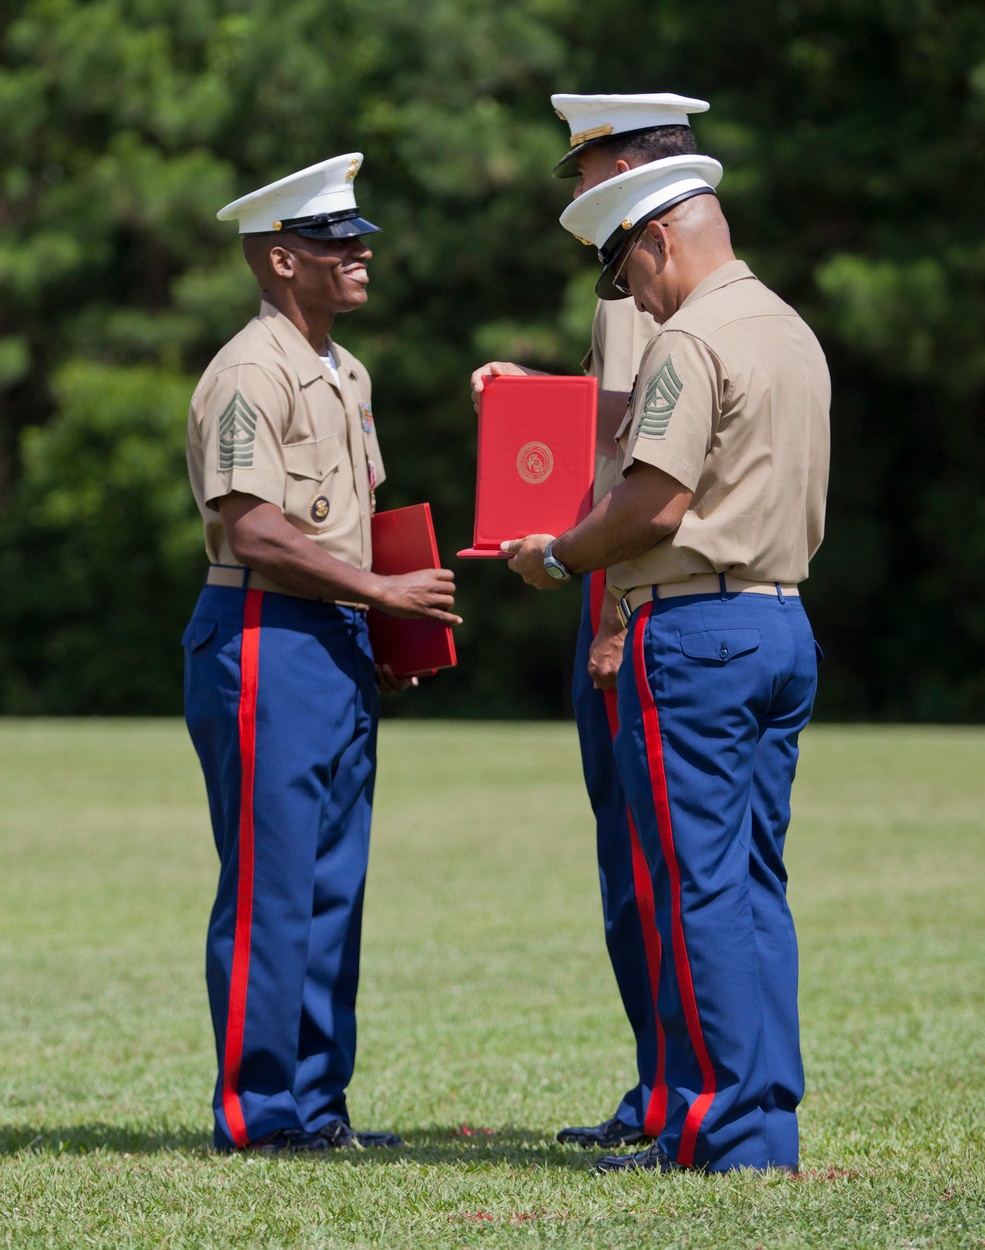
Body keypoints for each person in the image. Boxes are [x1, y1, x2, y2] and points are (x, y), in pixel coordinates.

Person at [504, 154, 830, 1173]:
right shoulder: (789, 327)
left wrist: (556, 557)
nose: (633, 299)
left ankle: (709, 1127)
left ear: (656, 240)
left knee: (691, 887)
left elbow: (654, 502)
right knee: (751, 881)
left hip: (695, 632)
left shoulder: (690, 340)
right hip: (783, 623)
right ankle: (762, 1122)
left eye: (627, 274)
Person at [183, 153, 461, 1154]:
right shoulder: (250, 371)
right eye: (338, 243)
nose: (362, 255)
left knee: (332, 882)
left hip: (333, 637)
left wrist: (385, 625)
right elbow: (251, 526)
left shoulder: (347, 372)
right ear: (280, 260)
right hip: (263, 632)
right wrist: (381, 592)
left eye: (361, 239)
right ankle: (259, 1114)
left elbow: (360, 519)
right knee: (272, 882)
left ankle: (315, 1102)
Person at [470, 93, 710, 1151]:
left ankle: (673, 1091)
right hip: (625, 589)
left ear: (631, 170)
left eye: (587, 168)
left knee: (649, 861)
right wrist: (535, 396)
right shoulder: (637, 284)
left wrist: (609, 619)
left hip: (633, 595)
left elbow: (643, 476)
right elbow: (619, 425)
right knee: (633, 864)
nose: (574, 190)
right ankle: (663, 1083)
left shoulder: (648, 282)